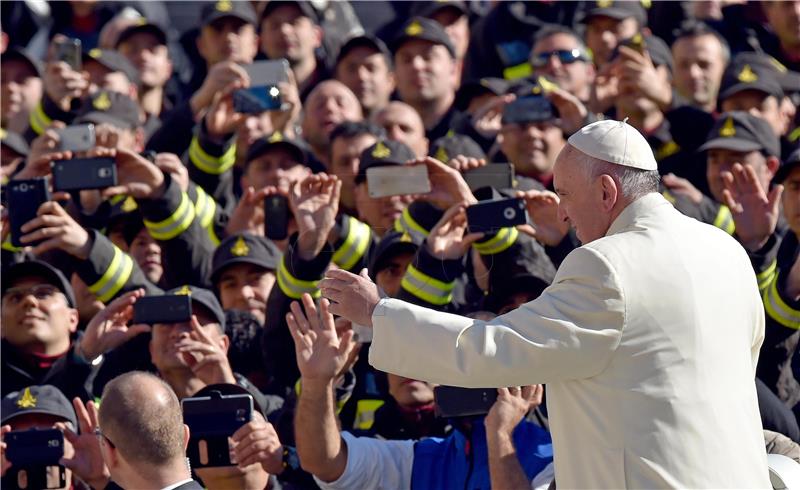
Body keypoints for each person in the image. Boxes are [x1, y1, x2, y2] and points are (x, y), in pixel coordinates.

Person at [320, 119, 771, 488]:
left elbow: (492, 349)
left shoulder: (605, 263)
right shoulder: (726, 250)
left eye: (566, 196)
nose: (562, 214)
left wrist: (379, 313)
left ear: (607, 192)